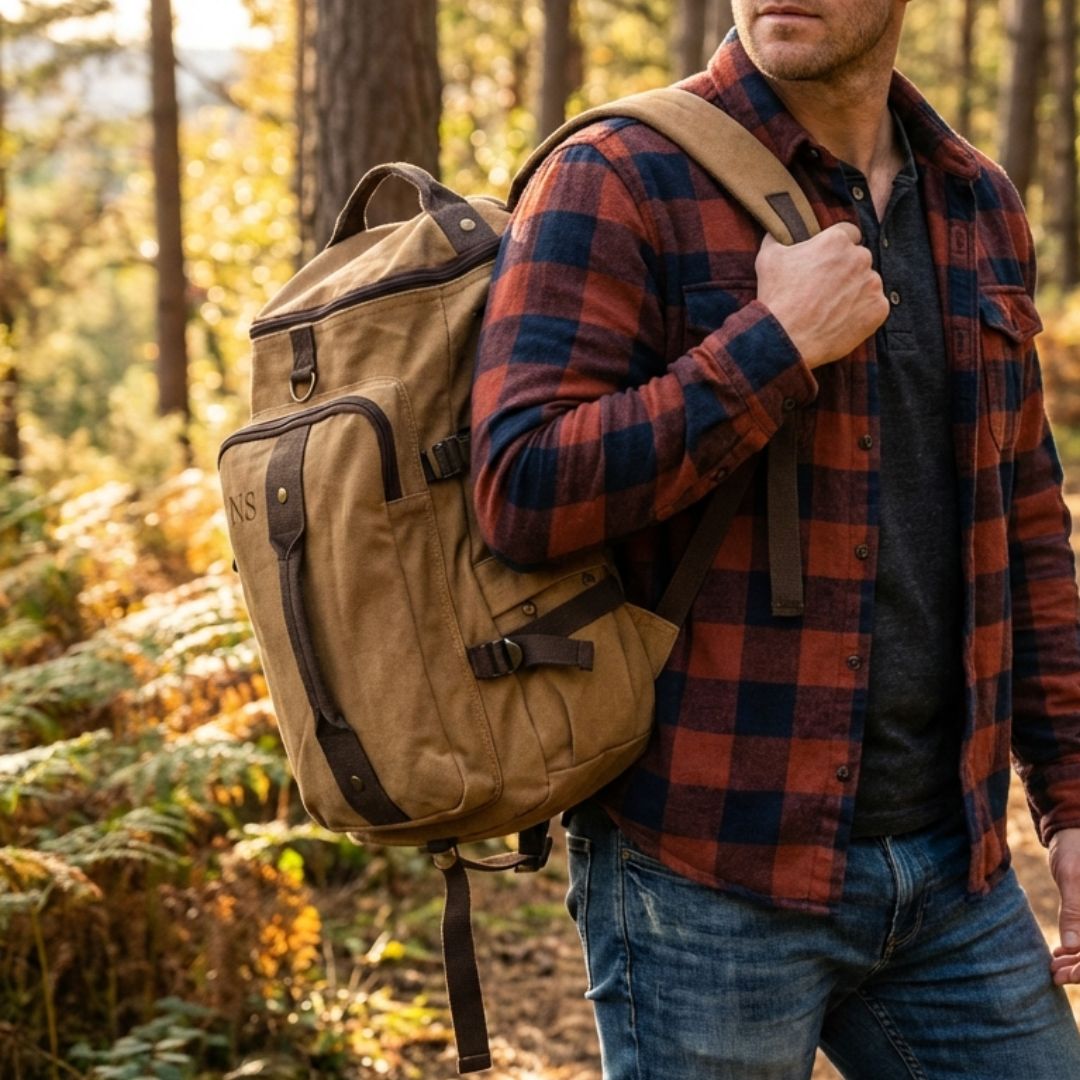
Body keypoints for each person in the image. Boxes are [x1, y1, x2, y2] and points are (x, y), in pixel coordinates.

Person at [471, 1, 1080, 1076]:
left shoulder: (977, 199)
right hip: (703, 870)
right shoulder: (618, 175)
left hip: (956, 871)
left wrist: (1072, 800)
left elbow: (1025, 521)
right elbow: (521, 487)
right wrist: (775, 347)